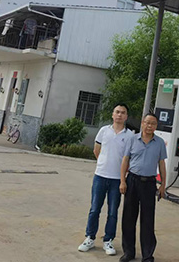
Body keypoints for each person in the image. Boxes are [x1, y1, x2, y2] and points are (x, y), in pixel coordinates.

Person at [79, 104, 133, 256]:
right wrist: (103, 163)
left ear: (126, 116)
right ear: (112, 114)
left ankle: (108, 240)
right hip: (100, 176)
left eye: (123, 113)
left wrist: (123, 178)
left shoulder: (130, 136)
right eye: (117, 112)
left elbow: (128, 159)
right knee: (94, 209)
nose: (119, 115)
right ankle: (90, 238)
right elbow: (96, 150)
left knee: (113, 211)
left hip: (117, 179)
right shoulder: (104, 130)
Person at [119, 114, 167, 262]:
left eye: (153, 123)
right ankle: (128, 252)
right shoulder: (132, 139)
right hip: (132, 180)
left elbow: (161, 164)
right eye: (147, 123)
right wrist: (122, 181)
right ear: (142, 123)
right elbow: (125, 160)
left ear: (156, 126)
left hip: (149, 183)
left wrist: (163, 185)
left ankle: (147, 255)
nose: (149, 126)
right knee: (128, 218)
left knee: (147, 220)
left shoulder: (159, 143)